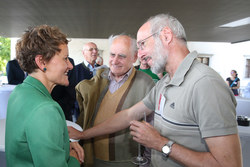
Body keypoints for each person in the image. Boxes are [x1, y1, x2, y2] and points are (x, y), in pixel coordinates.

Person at [68, 13, 242, 167]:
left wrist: (161, 144)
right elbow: (128, 115)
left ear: (166, 36)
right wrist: (83, 134)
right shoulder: (165, 82)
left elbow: (229, 163)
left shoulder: (206, 84)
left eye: (143, 44)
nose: (141, 54)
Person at [5, 25, 84, 166]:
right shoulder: (46, 110)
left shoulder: (19, 92)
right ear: (41, 62)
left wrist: (65, 146)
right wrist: (72, 158)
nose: (70, 66)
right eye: (65, 59)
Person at [75, 35, 155, 167]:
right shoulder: (98, 80)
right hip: (93, 158)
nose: (115, 61)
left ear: (134, 57)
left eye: (122, 56)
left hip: (126, 161)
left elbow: (152, 126)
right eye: (112, 55)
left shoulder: (146, 83)